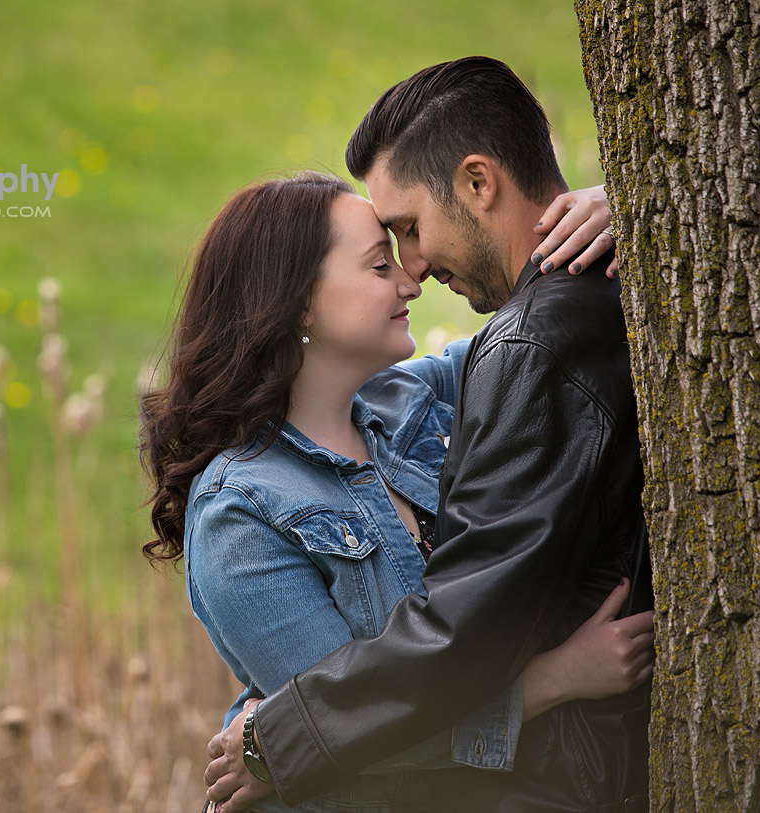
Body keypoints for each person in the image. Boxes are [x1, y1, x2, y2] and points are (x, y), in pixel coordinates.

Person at [204, 57, 654, 812]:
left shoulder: (497, 358)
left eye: (406, 235)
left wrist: (633, 211)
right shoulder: (245, 504)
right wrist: (641, 215)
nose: (411, 272)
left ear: (478, 184)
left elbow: (457, 625)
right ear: (297, 306)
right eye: (383, 257)